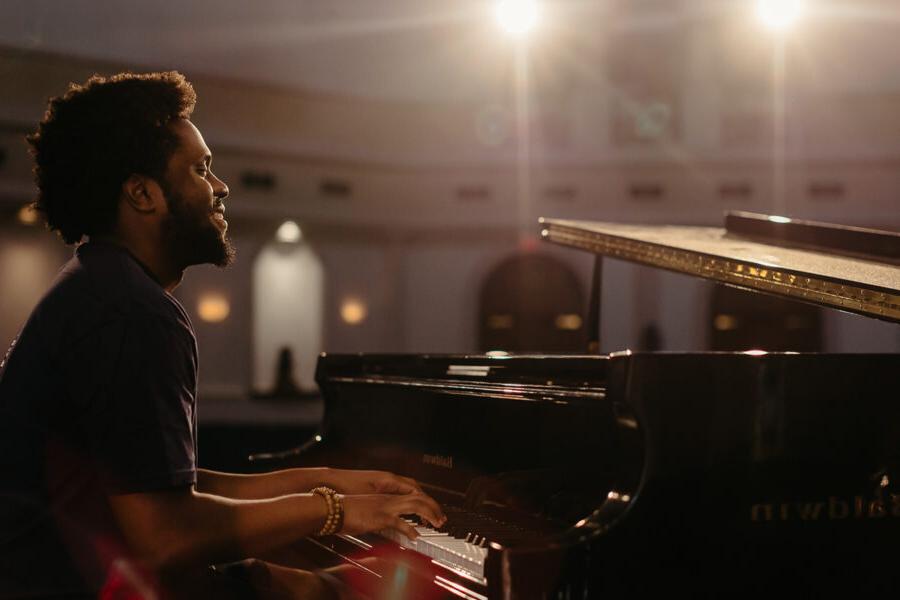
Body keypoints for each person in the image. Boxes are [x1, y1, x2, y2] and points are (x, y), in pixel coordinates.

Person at [0, 71, 444, 599]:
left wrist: (331, 481)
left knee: (329, 589)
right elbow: (166, 536)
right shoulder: (131, 313)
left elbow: (168, 492)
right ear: (143, 194)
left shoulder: (99, 286)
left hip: (80, 574)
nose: (220, 186)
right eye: (200, 169)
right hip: (76, 585)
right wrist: (336, 511)